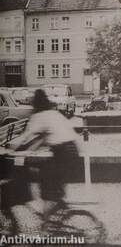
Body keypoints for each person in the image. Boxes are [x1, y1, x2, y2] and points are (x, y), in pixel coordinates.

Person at [14, 89, 79, 222]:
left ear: (35, 104)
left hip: (62, 152)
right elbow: (44, 137)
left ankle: (45, 226)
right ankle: (58, 203)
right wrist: (31, 150)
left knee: (46, 181)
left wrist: (12, 148)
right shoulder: (54, 113)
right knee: (49, 176)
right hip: (72, 151)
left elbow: (26, 136)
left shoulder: (39, 116)